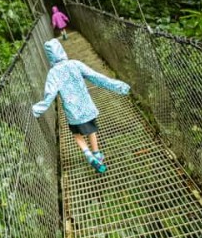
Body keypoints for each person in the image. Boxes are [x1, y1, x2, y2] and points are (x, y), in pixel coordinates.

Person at [32, 39, 130, 173]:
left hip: (73, 113)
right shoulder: (75, 64)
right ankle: (97, 155)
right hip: (87, 108)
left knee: (77, 135)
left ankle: (89, 156)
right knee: (91, 131)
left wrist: (37, 110)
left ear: (49, 56)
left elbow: (49, 95)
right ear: (62, 50)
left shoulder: (53, 74)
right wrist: (119, 86)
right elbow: (95, 76)